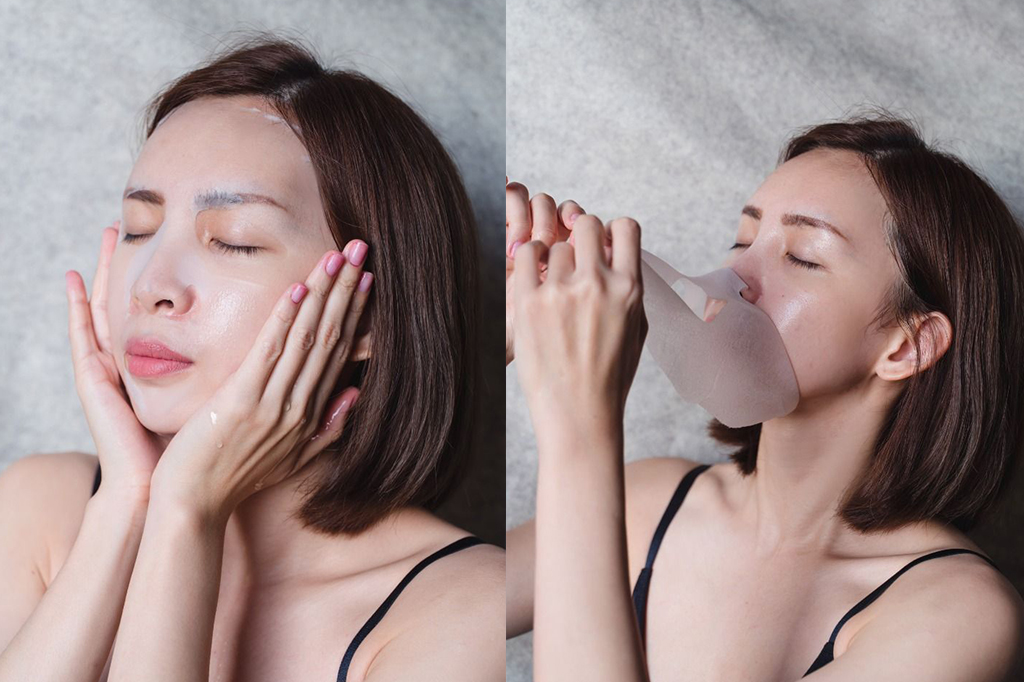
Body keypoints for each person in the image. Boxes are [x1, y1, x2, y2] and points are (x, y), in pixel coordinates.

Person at [0, 34, 503, 681]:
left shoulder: (459, 605)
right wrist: (129, 502)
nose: (150, 284)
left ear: (369, 316)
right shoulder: (42, 507)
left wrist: (186, 512)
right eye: (138, 229)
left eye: (232, 242)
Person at [505, 111, 1024, 681]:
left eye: (803, 256)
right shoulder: (648, 502)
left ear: (907, 346)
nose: (736, 275)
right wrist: (500, 337)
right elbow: (430, 598)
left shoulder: (957, 616)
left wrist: (580, 424)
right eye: (743, 239)